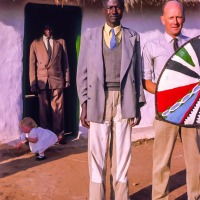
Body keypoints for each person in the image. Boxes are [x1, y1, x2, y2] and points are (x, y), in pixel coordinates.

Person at [76, 0, 146, 198]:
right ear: (103, 10)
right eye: (110, 7)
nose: (113, 11)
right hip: (98, 98)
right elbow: (82, 73)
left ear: (122, 9)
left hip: (125, 100)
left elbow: (137, 72)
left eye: (117, 7)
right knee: (97, 154)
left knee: (122, 154)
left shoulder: (133, 37)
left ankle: (120, 196)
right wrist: (84, 104)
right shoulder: (90, 36)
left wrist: (138, 106)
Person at [142, 1, 200, 199]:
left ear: (183, 18)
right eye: (171, 17)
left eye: (179, 17)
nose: (175, 22)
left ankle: (195, 196)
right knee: (161, 161)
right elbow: (146, 81)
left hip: (191, 111)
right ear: (162, 20)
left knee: (195, 159)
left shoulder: (193, 46)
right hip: (165, 111)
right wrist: (167, 94)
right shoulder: (151, 46)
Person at [29, 24, 70, 144]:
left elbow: (65, 62)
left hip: (57, 79)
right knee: (43, 109)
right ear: (43, 29)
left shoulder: (60, 42)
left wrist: (67, 79)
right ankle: (45, 135)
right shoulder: (35, 43)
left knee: (58, 108)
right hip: (42, 80)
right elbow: (32, 65)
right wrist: (33, 82)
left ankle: (59, 134)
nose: (48, 31)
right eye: (46, 28)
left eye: (50, 28)